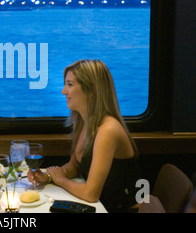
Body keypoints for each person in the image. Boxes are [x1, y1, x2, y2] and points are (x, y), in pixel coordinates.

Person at [28, 59, 141, 212]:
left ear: (92, 89)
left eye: (70, 84)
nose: (63, 91)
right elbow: (75, 165)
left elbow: (90, 194)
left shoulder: (108, 129)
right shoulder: (83, 121)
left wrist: (61, 181)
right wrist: (48, 177)